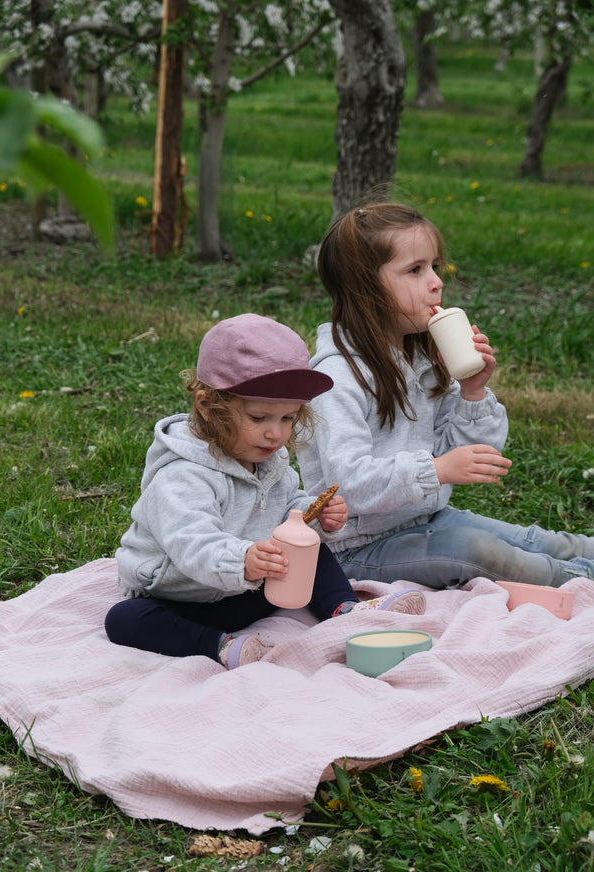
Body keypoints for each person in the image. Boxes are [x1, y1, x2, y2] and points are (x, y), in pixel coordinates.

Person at [297, 202, 594, 589]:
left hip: (424, 521)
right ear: (365, 286)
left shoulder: (421, 358)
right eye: (415, 270)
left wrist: (474, 390)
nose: (436, 281)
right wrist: (437, 470)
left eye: (434, 266)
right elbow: (348, 484)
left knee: (536, 541)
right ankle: (580, 583)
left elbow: (475, 456)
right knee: (480, 552)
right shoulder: (335, 377)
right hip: (356, 549)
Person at [105, 313, 425, 669]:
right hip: (182, 595)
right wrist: (241, 560)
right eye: (259, 418)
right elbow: (191, 542)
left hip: (247, 589)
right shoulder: (182, 476)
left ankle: (344, 609)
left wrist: (315, 517)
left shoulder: (268, 459)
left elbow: (288, 507)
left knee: (311, 551)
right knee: (124, 618)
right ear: (208, 407)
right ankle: (220, 647)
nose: (276, 433)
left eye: (287, 418)